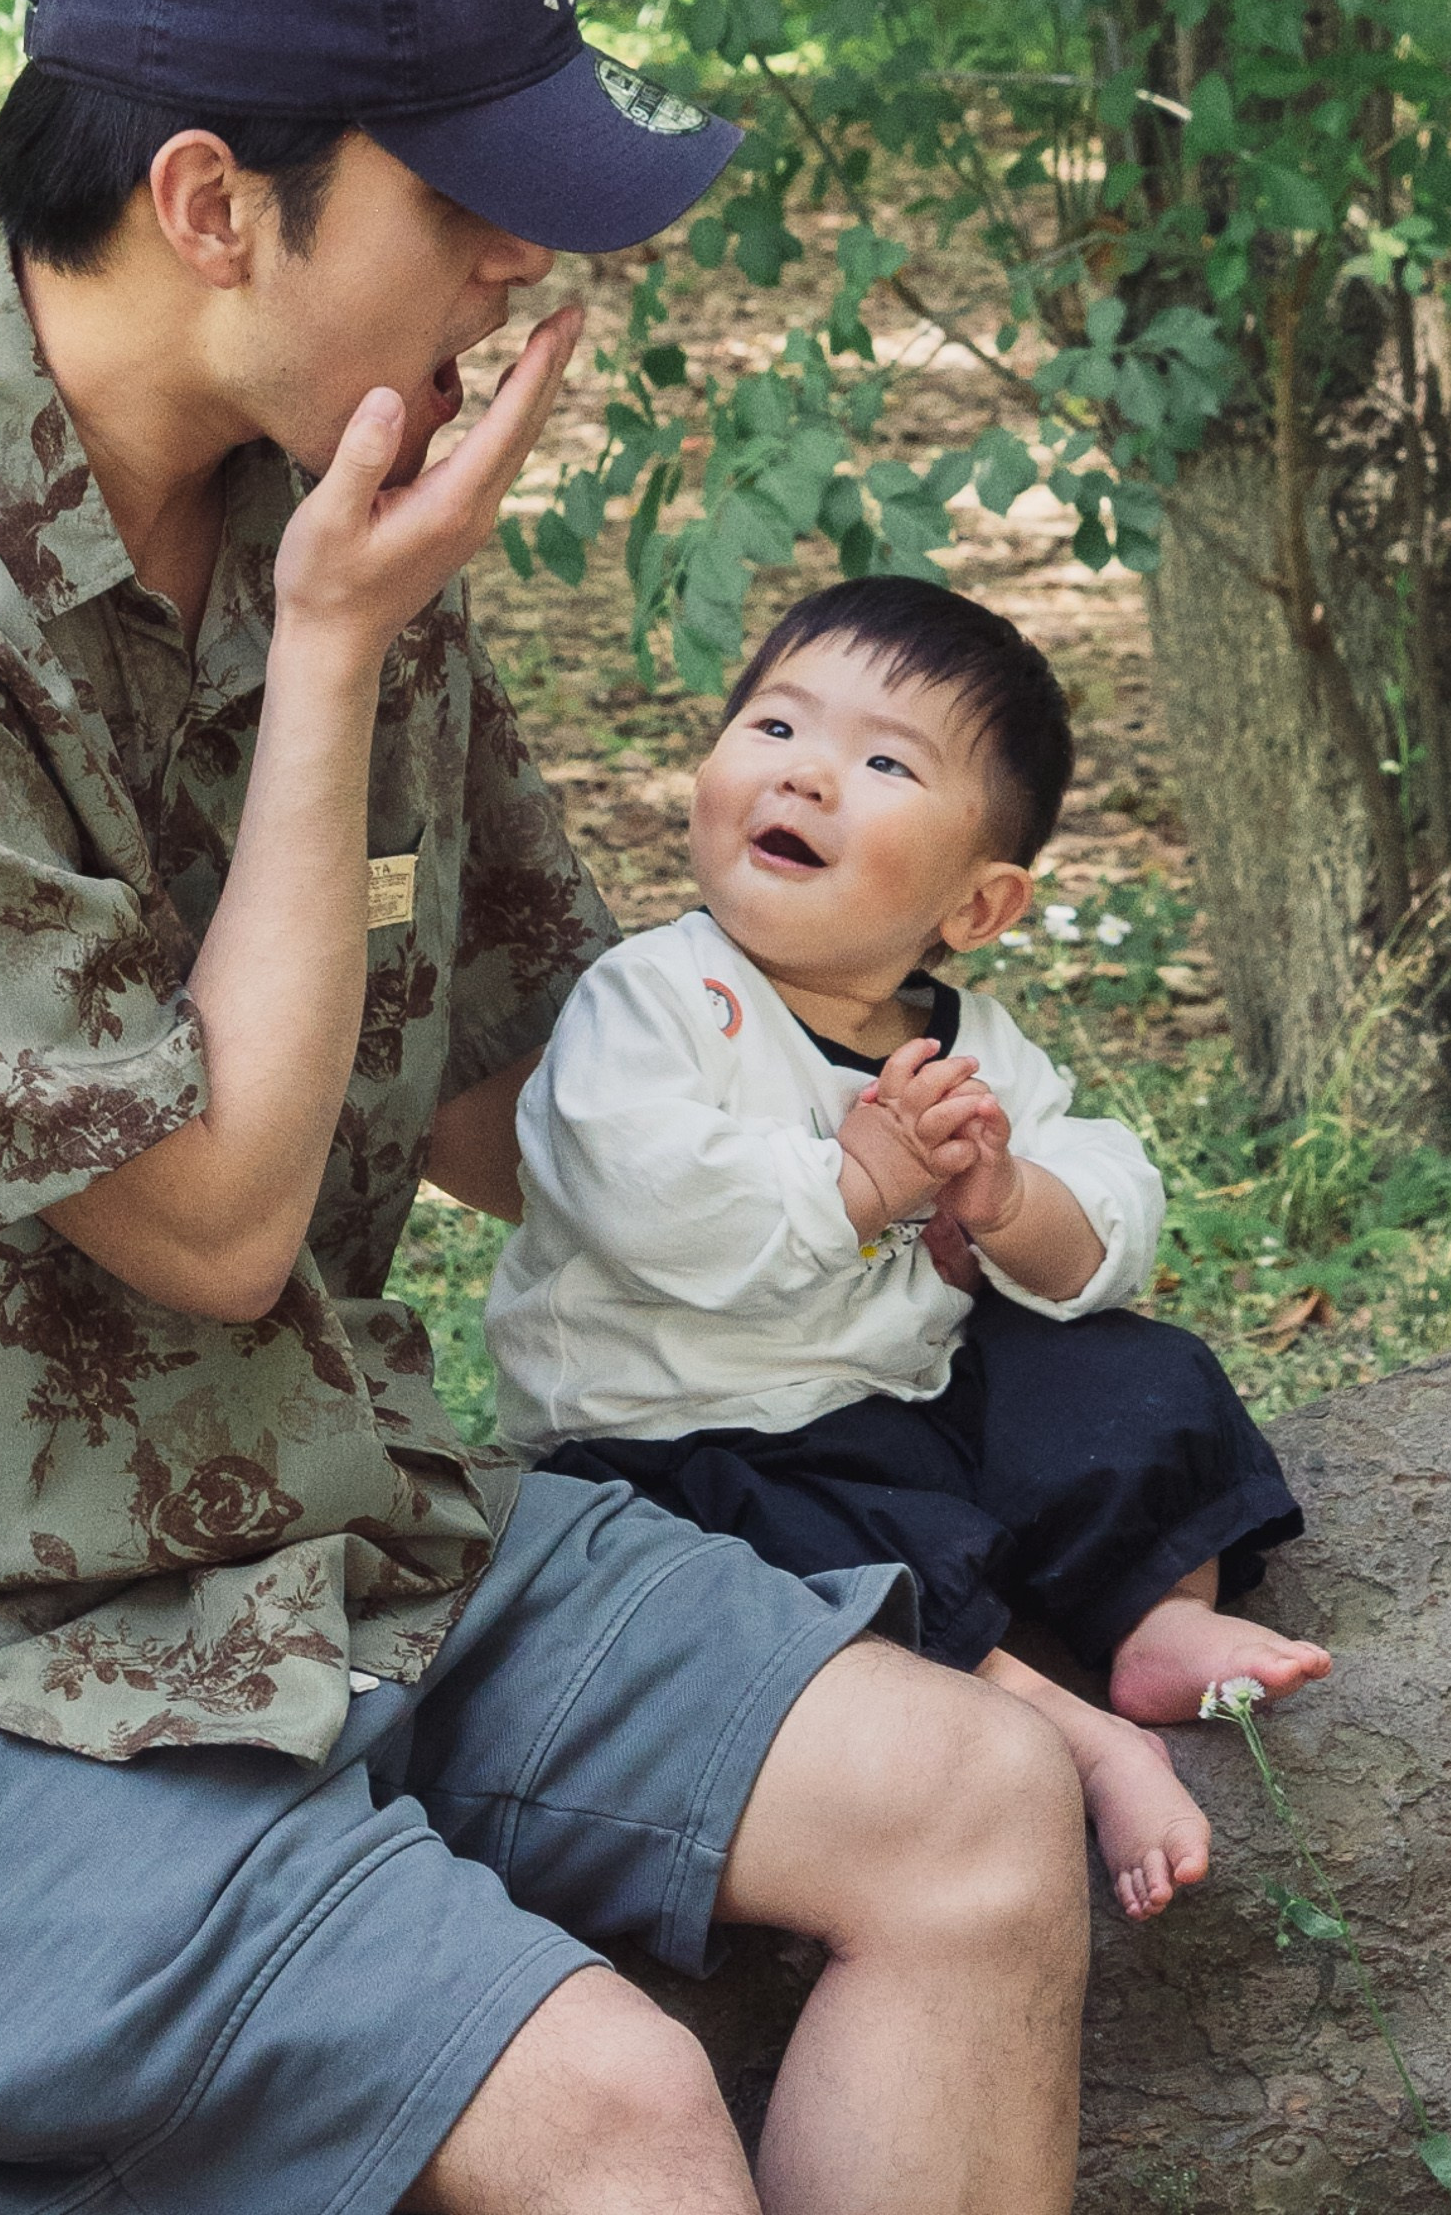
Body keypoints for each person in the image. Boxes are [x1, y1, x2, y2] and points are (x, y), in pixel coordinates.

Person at [0, 0, 1095, 2215]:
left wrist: (884, 1125)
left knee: (978, 1816)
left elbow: (524, 1088)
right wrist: (328, 664)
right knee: (613, 2113)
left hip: (338, 1522)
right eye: (460, 193)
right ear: (213, 203)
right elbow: (201, 1224)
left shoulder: (323, 488)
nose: (521, 258)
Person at [487, 574, 1331, 1924]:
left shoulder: (971, 1043)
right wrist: (858, 1180)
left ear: (978, 904)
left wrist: (1009, 1202)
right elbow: (637, 1190)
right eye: (774, 728)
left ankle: (1161, 1610)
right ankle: (1076, 1739)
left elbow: (1108, 1195)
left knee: (1128, 1370)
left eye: (881, 762)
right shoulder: (654, 998)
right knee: (841, 1549)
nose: (807, 777)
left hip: (901, 1389)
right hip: (680, 1432)